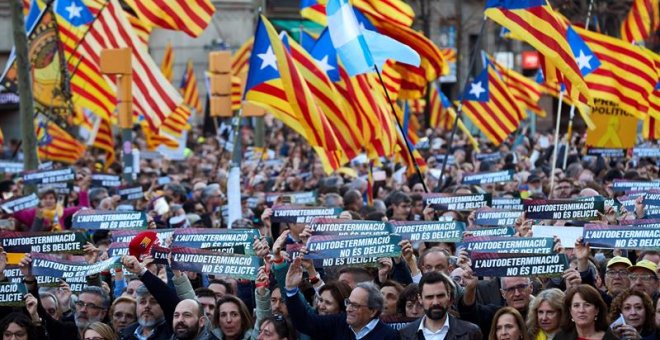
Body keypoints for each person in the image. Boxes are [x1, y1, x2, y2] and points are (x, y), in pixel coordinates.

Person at [284, 257, 399, 340]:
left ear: (372, 311)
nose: (348, 309)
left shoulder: (388, 336)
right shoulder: (339, 322)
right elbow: (305, 323)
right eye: (348, 303)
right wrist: (291, 290)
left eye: (355, 305)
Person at [399, 272, 481, 340]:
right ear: (420, 299)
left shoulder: (470, 332)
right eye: (429, 297)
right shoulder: (405, 334)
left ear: (449, 296)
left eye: (440, 296)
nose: (435, 302)